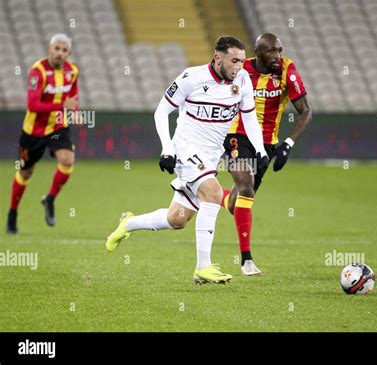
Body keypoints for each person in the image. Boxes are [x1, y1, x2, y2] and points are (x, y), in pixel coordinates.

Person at [106, 36, 269, 284]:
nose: (239, 66)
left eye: (241, 60)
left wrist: (261, 150)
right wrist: (167, 149)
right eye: (234, 60)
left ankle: (128, 224)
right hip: (186, 149)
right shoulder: (190, 78)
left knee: (177, 219)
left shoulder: (243, 80)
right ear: (217, 57)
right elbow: (161, 111)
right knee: (214, 193)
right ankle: (203, 267)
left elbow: (248, 117)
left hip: (211, 157)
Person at [222, 33, 312, 275]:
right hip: (237, 135)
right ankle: (246, 260)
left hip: (267, 144)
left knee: (235, 203)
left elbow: (305, 111)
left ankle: (213, 194)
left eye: (280, 50)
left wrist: (288, 143)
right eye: (272, 51)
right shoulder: (242, 70)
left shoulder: (286, 70)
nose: (278, 56)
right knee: (246, 187)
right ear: (259, 53)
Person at [6, 34, 79, 234]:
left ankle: (50, 198)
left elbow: (73, 95)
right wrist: (61, 105)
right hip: (33, 131)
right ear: (49, 49)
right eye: (57, 48)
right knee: (26, 172)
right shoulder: (38, 72)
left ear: (68, 54)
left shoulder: (72, 71)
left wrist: (76, 110)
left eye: (64, 50)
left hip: (57, 126)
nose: (60, 53)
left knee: (67, 160)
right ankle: (12, 213)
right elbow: (33, 104)